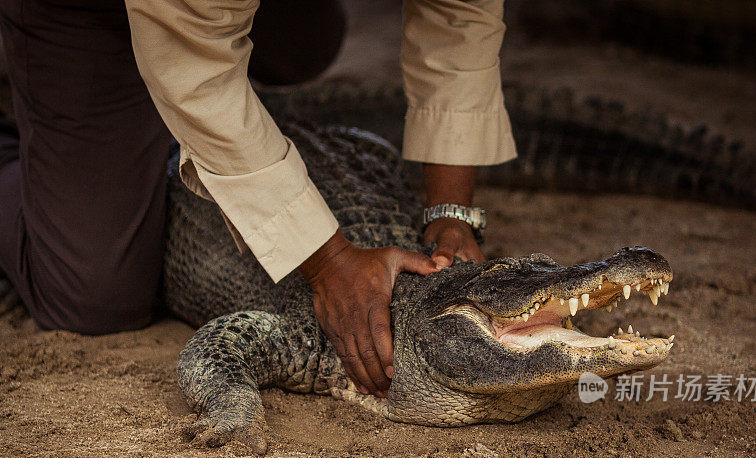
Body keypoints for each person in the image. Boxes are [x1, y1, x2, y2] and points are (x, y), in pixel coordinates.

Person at [0, 0, 516, 397]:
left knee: (308, 39)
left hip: (205, 14)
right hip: (89, 12)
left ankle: (172, 122)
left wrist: (451, 211)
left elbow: (459, 20)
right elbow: (195, 70)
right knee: (91, 295)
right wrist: (330, 262)